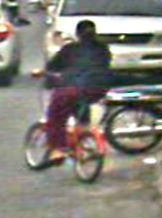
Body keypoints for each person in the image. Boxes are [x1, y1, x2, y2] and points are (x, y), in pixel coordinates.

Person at [45, 19, 112, 161]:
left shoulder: (70, 49)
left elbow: (52, 66)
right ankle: (84, 131)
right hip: (98, 88)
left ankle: (58, 149)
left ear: (77, 34)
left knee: (56, 115)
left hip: (72, 87)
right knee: (81, 102)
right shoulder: (103, 48)